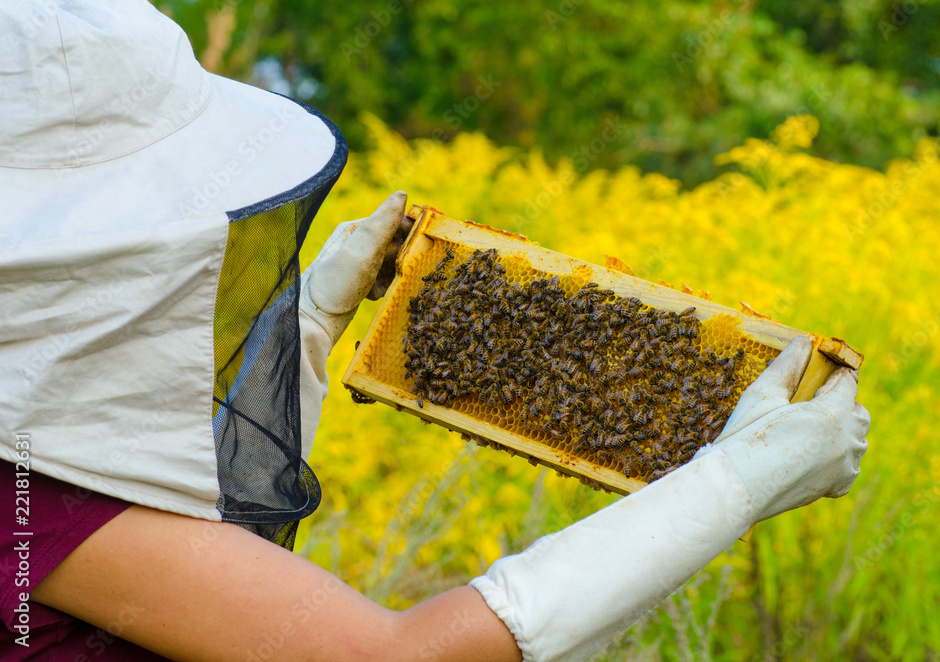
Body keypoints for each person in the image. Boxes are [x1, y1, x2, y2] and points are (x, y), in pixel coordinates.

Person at [0, 2, 870, 660]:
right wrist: (736, 484)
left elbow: (195, 511)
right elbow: (398, 655)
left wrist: (303, 329)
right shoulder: (32, 504)